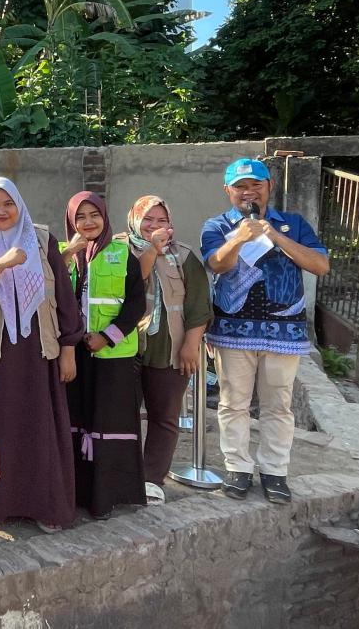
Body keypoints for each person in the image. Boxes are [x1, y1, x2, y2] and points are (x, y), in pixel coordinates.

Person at [0, 177, 82, 532]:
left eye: (7, 203)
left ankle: (45, 506)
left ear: (19, 204)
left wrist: (69, 347)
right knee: (0, 429)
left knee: (40, 428)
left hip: (37, 351)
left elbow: (64, 297)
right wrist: (0, 265)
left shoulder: (41, 240)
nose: (1, 211)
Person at [201, 159, 328, 504]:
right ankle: (237, 468)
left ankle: (275, 471)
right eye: (240, 186)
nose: (249, 192)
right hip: (232, 332)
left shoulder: (293, 224)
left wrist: (274, 235)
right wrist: (240, 238)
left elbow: (320, 265)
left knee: (278, 405)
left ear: (270, 186)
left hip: (283, 333)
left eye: (256, 185)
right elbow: (217, 264)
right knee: (233, 403)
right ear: (227, 190)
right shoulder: (217, 226)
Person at [60, 191, 147, 519]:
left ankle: (106, 498)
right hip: (74, 355)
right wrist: (67, 254)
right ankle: (75, 494)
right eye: (80, 217)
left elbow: (136, 305)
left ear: (105, 217)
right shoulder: (62, 253)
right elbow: (50, 292)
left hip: (113, 357)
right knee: (76, 422)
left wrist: (107, 337)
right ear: (71, 222)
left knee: (108, 425)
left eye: (94, 215)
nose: (88, 222)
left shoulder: (123, 254)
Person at [122, 195, 212, 505]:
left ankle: (151, 480)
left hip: (170, 349)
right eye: (148, 219)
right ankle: (123, 477)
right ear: (134, 220)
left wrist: (190, 346)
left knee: (164, 417)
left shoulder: (184, 256)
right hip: (127, 347)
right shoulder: (119, 249)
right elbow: (132, 283)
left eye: (162, 220)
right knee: (122, 415)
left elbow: (199, 306)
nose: (155, 225)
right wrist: (151, 250)